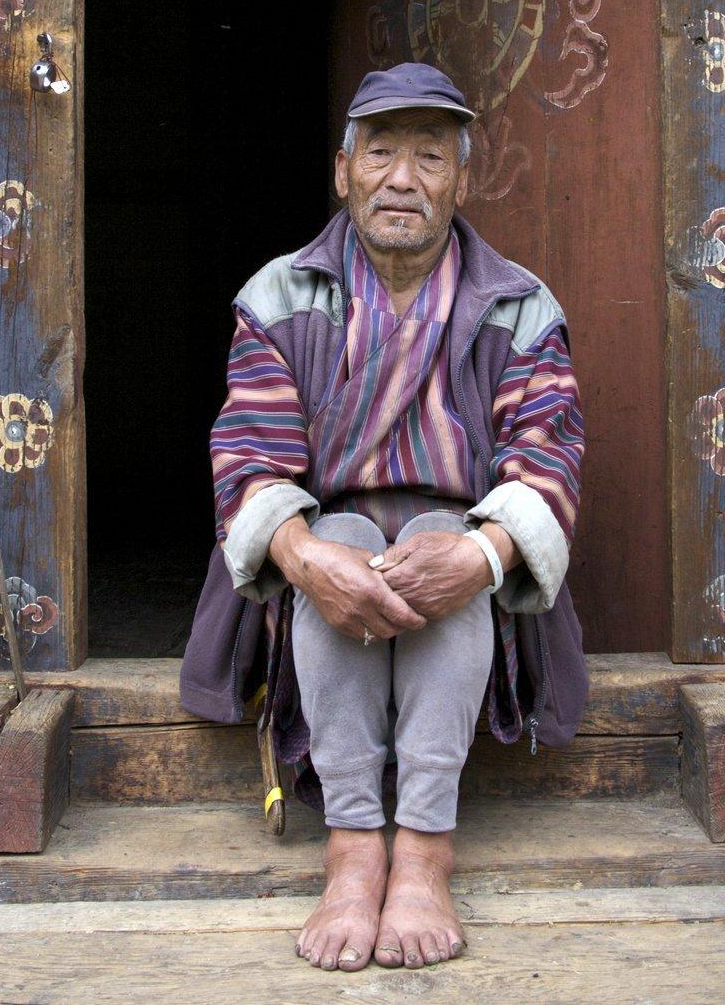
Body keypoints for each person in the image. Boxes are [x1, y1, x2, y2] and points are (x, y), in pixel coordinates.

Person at [180, 62, 588, 972]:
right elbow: (248, 454)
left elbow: (548, 455)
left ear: (462, 181)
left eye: (430, 157)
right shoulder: (279, 296)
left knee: (442, 554)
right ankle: (354, 845)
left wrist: (482, 556)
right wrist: (302, 552)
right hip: (322, 536)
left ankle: (427, 852)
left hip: (463, 537)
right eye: (382, 152)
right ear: (343, 171)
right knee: (348, 543)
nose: (402, 178)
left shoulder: (520, 306)